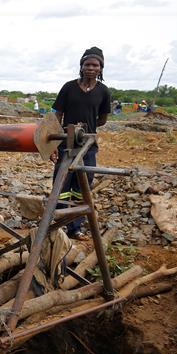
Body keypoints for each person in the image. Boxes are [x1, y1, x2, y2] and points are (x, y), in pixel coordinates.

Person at [51, 46, 112, 241]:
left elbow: (102, 119)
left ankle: (75, 228)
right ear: (81, 66)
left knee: (81, 186)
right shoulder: (69, 87)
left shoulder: (103, 92)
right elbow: (57, 115)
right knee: (61, 185)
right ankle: (58, 225)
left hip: (88, 146)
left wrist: (87, 127)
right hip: (67, 143)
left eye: (95, 65)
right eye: (87, 64)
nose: (91, 68)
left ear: (101, 68)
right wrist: (55, 141)